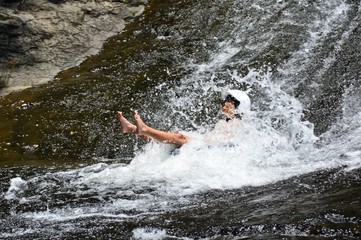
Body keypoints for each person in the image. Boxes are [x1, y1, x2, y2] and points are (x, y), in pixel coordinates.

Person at [117, 89, 251, 147]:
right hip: (206, 148)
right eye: (225, 101)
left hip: (208, 150)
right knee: (165, 142)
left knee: (180, 138)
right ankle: (133, 128)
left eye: (228, 102)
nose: (224, 105)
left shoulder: (235, 123)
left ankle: (143, 129)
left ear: (238, 107)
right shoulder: (227, 122)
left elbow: (224, 142)